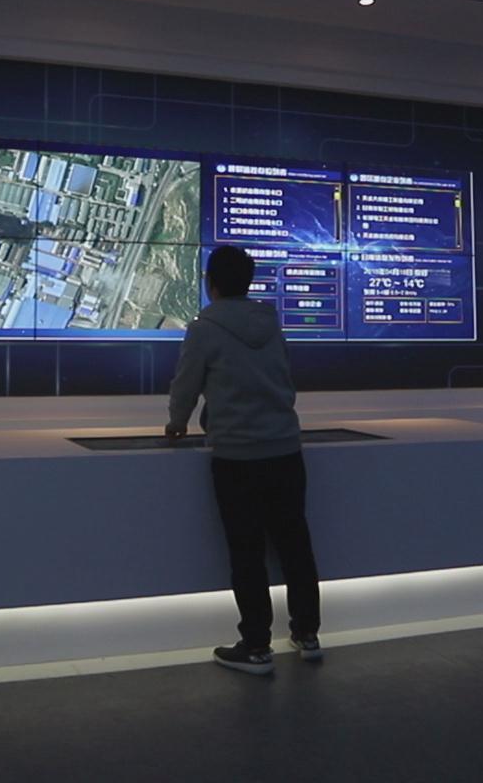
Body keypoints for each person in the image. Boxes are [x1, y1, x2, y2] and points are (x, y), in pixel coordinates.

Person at [167, 245, 322, 675]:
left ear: (210, 284)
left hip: (237, 455)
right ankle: (307, 634)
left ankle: (256, 646)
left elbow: (186, 384)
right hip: (285, 449)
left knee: (247, 551)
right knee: (295, 545)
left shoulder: (204, 329)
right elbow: (284, 377)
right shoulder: (271, 322)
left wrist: (176, 423)